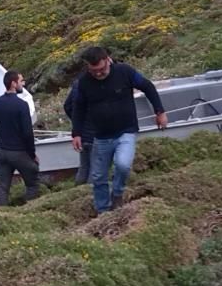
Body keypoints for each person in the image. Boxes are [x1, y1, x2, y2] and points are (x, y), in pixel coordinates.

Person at [70, 46, 167, 214]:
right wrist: (76, 133)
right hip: (100, 136)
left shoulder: (125, 72)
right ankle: (103, 211)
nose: (98, 74)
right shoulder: (84, 82)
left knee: (122, 165)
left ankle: (117, 193)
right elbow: (78, 107)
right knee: (98, 177)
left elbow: (148, 86)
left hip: (125, 131)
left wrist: (159, 111)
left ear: (108, 60)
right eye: (94, 71)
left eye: (101, 69)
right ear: (87, 67)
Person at [0, 70, 39, 205]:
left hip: (2, 152)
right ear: (13, 83)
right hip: (19, 152)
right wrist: (32, 154)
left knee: (3, 188)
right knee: (32, 184)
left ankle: (2, 214)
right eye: (21, 81)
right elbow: (28, 133)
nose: (23, 83)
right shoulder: (21, 105)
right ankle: (29, 212)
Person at [63, 76, 93, 185]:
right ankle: (89, 193)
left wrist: (77, 121)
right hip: (94, 133)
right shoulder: (95, 85)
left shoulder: (77, 84)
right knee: (95, 168)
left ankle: (78, 189)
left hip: (80, 133)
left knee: (84, 166)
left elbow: (67, 106)